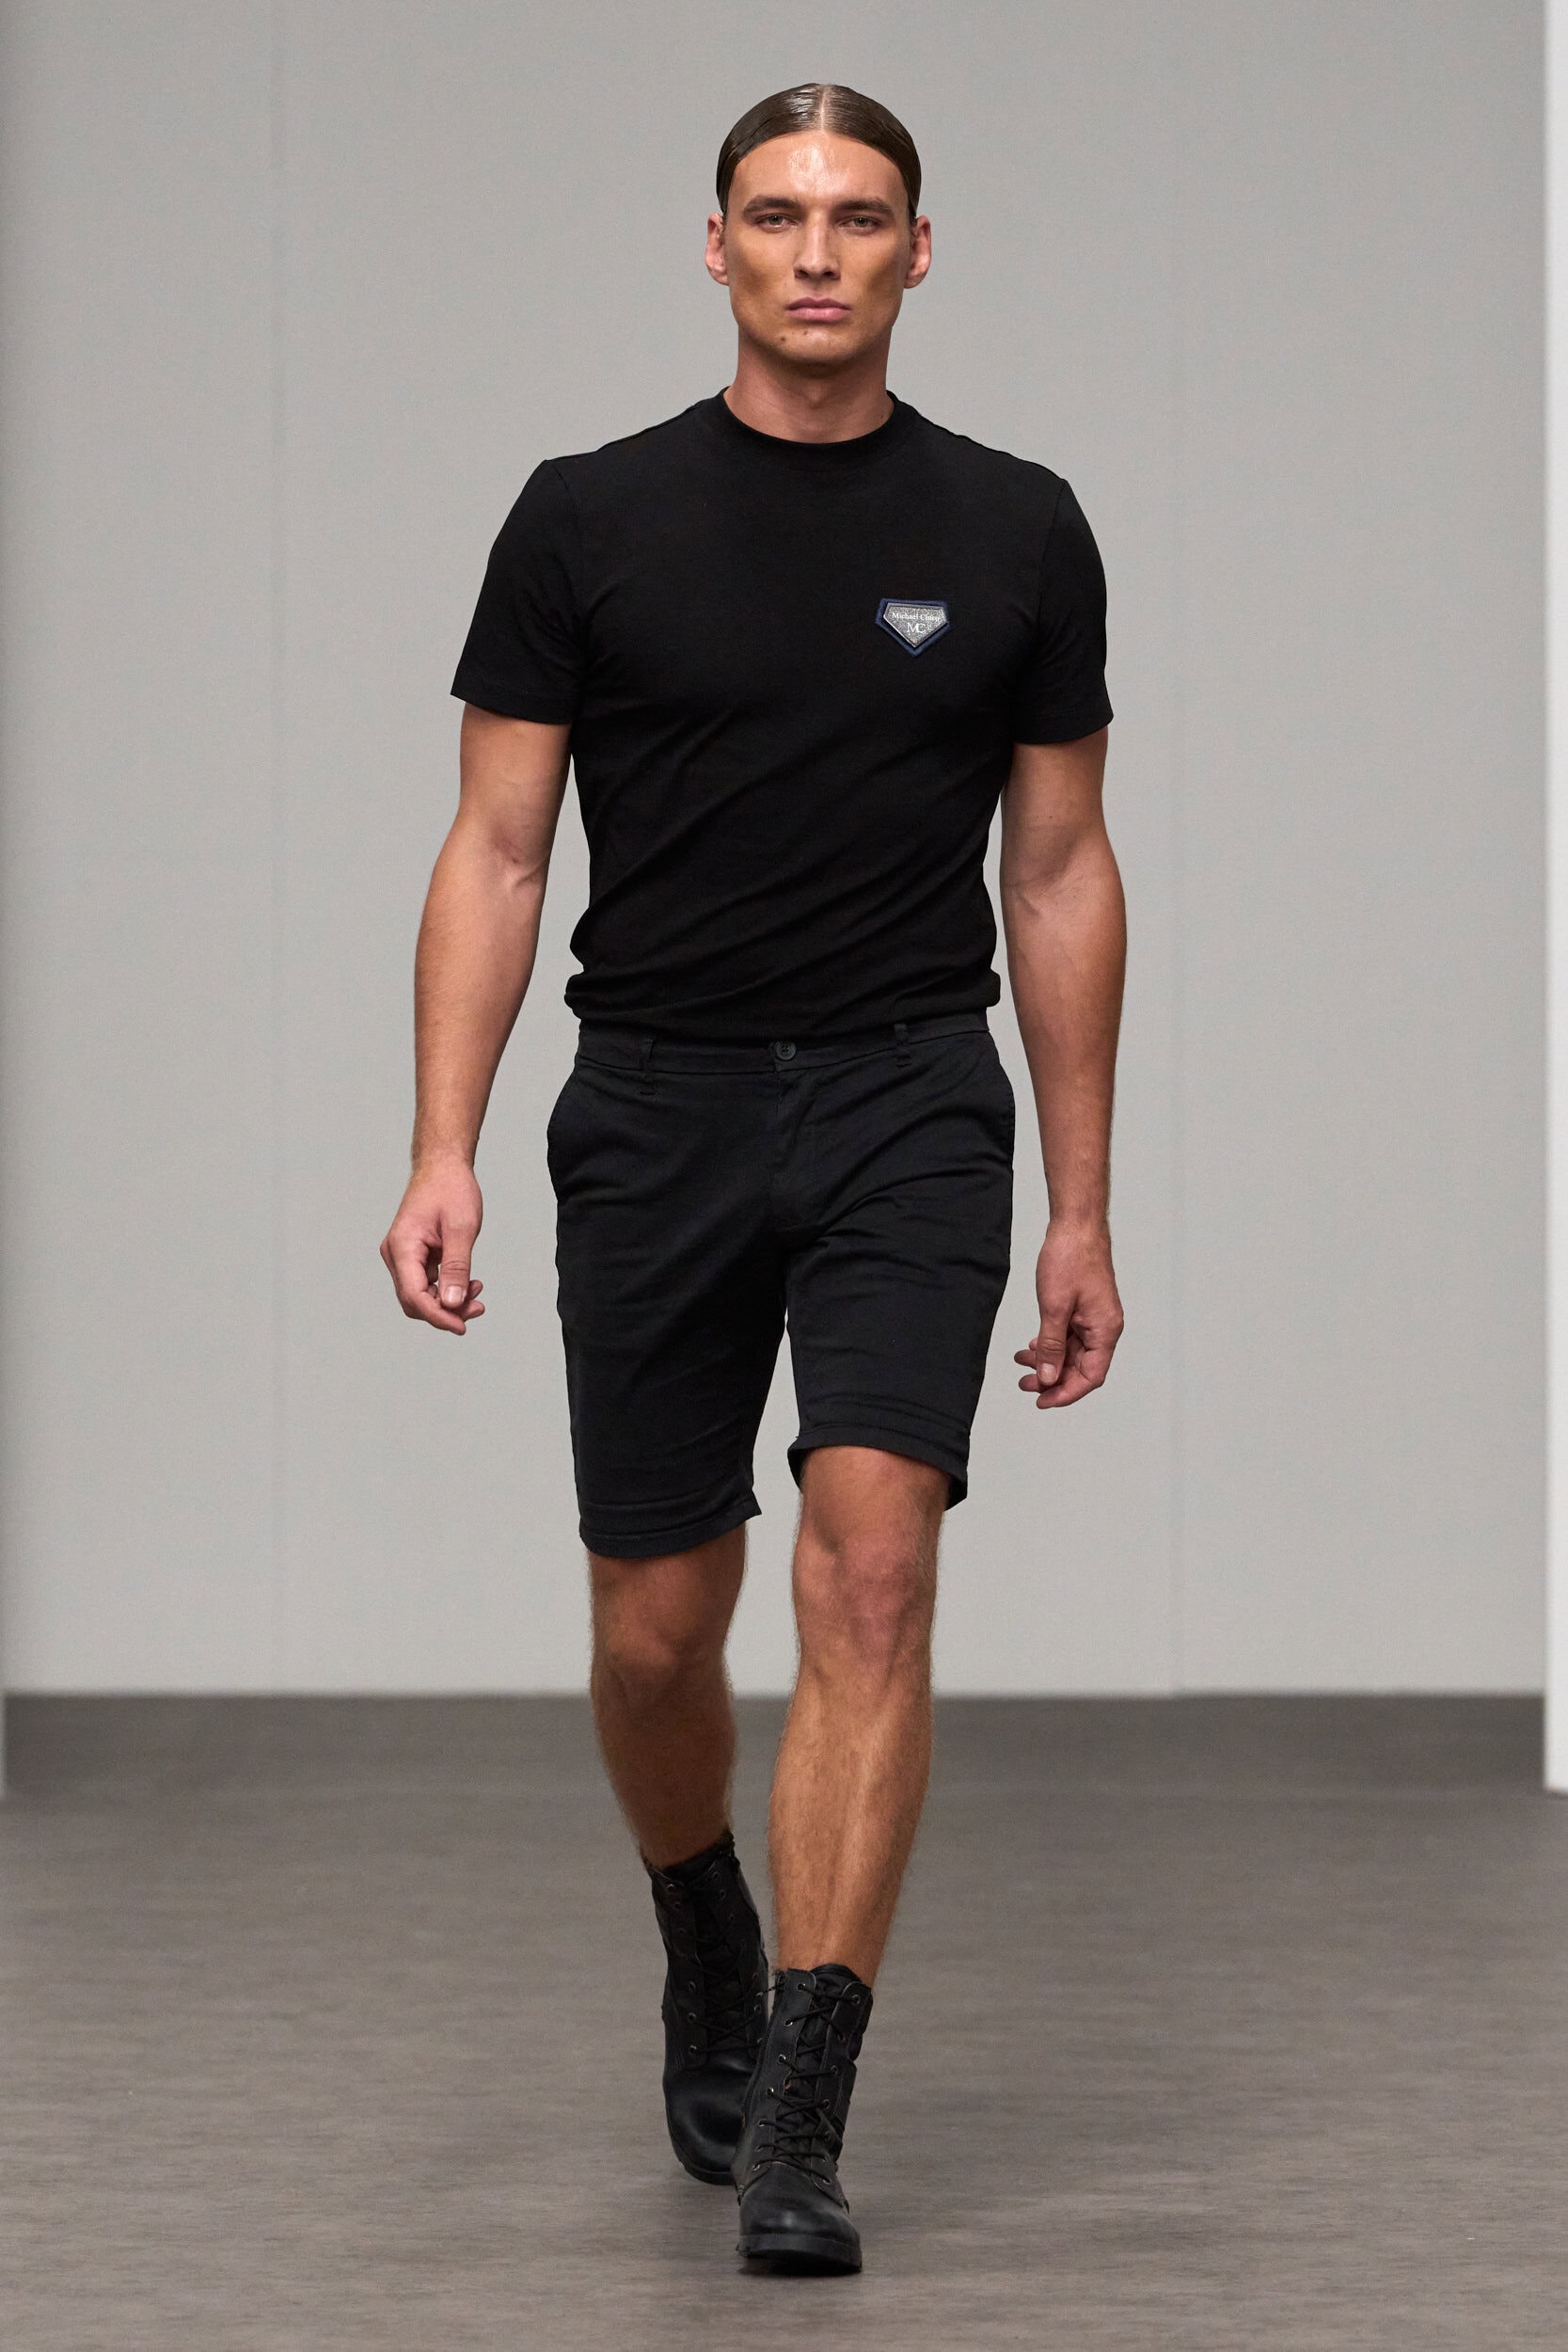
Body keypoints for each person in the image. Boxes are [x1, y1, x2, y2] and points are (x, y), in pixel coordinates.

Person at [381, 81, 1125, 2276]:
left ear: (920, 251)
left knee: (873, 1574)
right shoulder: (587, 519)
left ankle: (803, 2100)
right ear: (714, 246)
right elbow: (496, 850)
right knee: (654, 1623)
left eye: (860, 216)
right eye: (779, 215)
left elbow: (1059, 868)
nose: (819, 251)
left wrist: (1081, 1203)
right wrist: (442, 1143)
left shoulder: (1016, 527)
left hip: (910, 1098)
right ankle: (700, 1911)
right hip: (656, 1103)